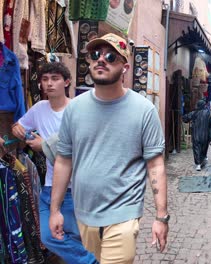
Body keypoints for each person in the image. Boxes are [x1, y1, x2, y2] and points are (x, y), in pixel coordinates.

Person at [49, 33, 169, 263]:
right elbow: (63, 160)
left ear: (124, 67)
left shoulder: (144, 111)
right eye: (95, 55)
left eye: (110, 56)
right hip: (84, 213)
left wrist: (161, 217)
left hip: (125, 212)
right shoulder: (74, 109)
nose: (100, 60)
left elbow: (155, 165)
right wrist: (55, 210)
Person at [11, 62, 98, 263]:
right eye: (45, 79)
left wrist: (45, 146)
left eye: (55, 78)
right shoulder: (39, 108)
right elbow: (21, 126)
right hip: (50, 186)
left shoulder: (78, 111)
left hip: (75, 188)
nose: (49, 84)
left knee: (77, 237)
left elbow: (82, 152)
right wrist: (17, 128)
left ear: (66, 82)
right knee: (50, 237)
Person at [183, 99, 211, 171]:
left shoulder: (194, 113)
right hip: (205, 135)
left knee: (196, 149)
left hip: (196, 134)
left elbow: (185, 119)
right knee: (204, 148)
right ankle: (203, 159)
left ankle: (198, 164)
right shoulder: (208, 113)